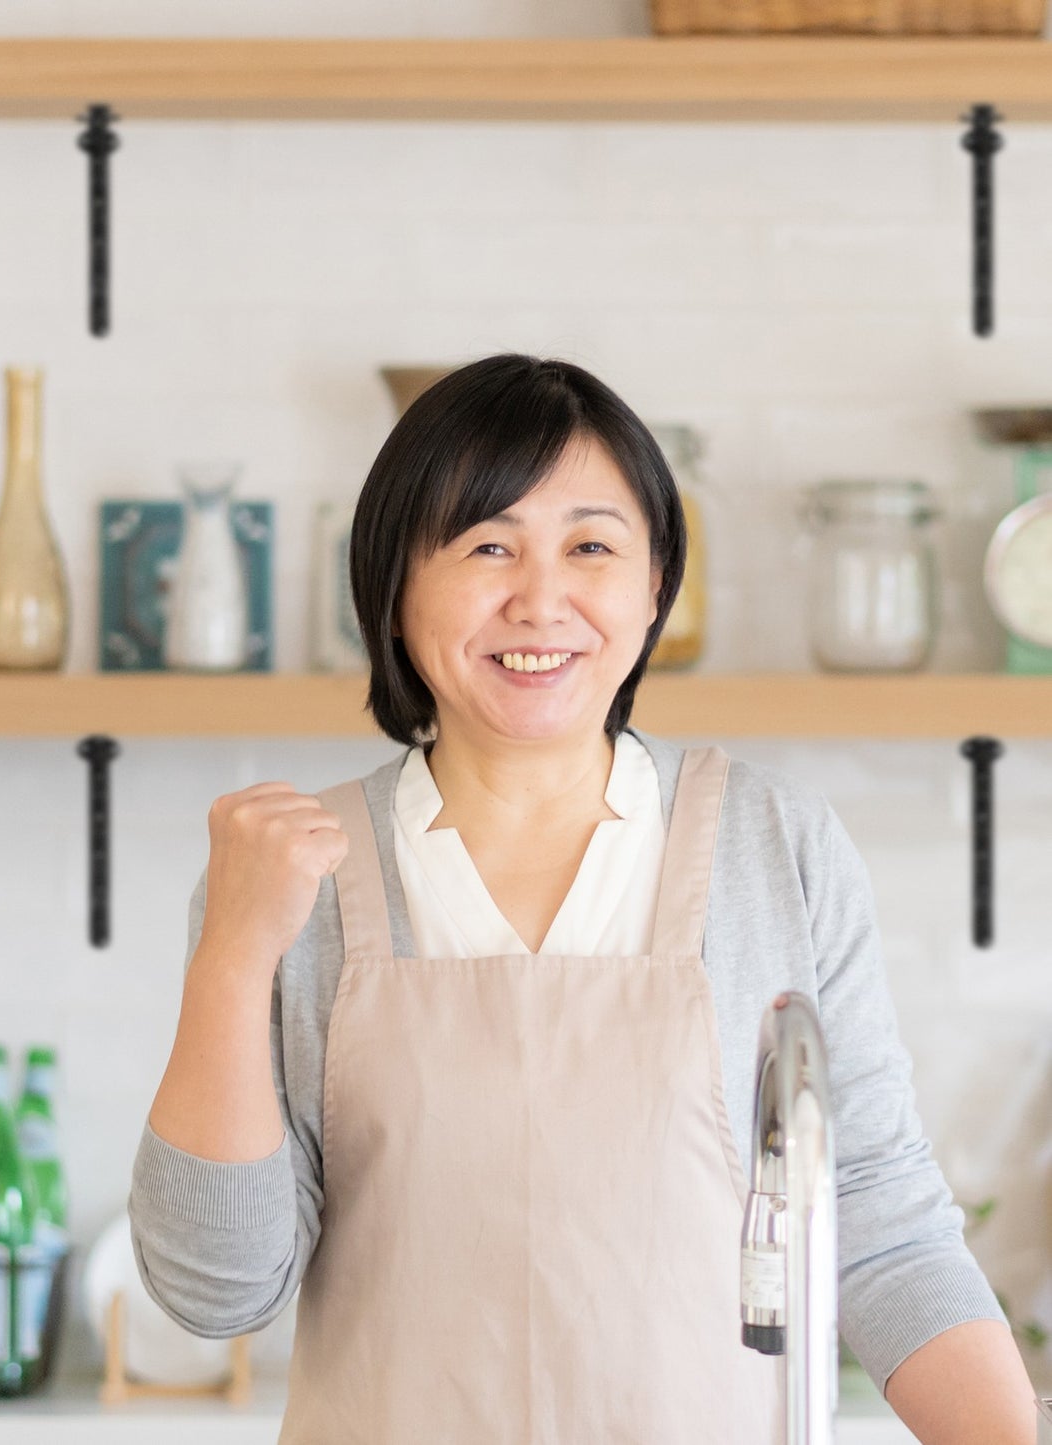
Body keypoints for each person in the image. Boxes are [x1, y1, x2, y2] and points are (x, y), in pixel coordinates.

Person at [129, 354, 1035, 1443]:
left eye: (591, 547)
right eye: (487, 545)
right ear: (393, 588)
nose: (540, 599)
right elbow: (216, 1287)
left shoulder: (774, 848)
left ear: (653, 588)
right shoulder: (291, 875)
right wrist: (230, 959)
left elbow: (879, 1226)